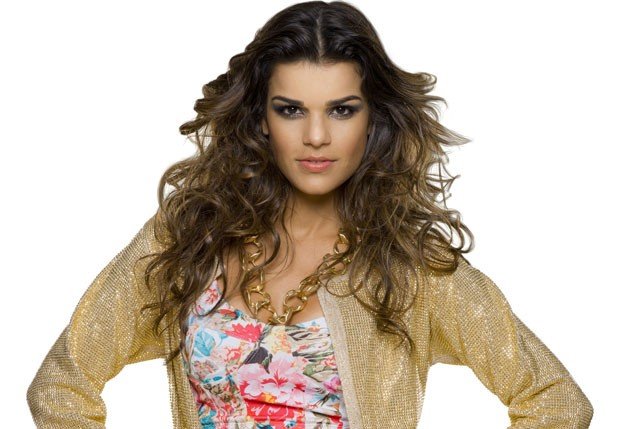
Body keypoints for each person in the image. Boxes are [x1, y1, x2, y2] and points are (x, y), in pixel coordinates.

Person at [26, 1, 594, 428]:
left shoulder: (410, 266)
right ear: (260, 117)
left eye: (341, 110)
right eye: (291, 110)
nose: (317, 136)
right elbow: (60, 387)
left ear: (373, 119)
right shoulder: (189, 236)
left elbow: (556, 403)